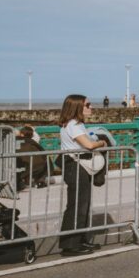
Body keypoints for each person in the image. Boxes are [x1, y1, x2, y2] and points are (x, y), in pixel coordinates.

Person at [56, 95, 108, 255]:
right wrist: (102, 142)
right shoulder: (74, 124)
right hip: (75, 166)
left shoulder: (71, 124)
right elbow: (89, 145)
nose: (91, 107)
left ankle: (80, 240)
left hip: (74, 166)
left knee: (81, 204)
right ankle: (70, 245)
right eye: (88, 104)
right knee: (78, 204)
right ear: (77, 107)